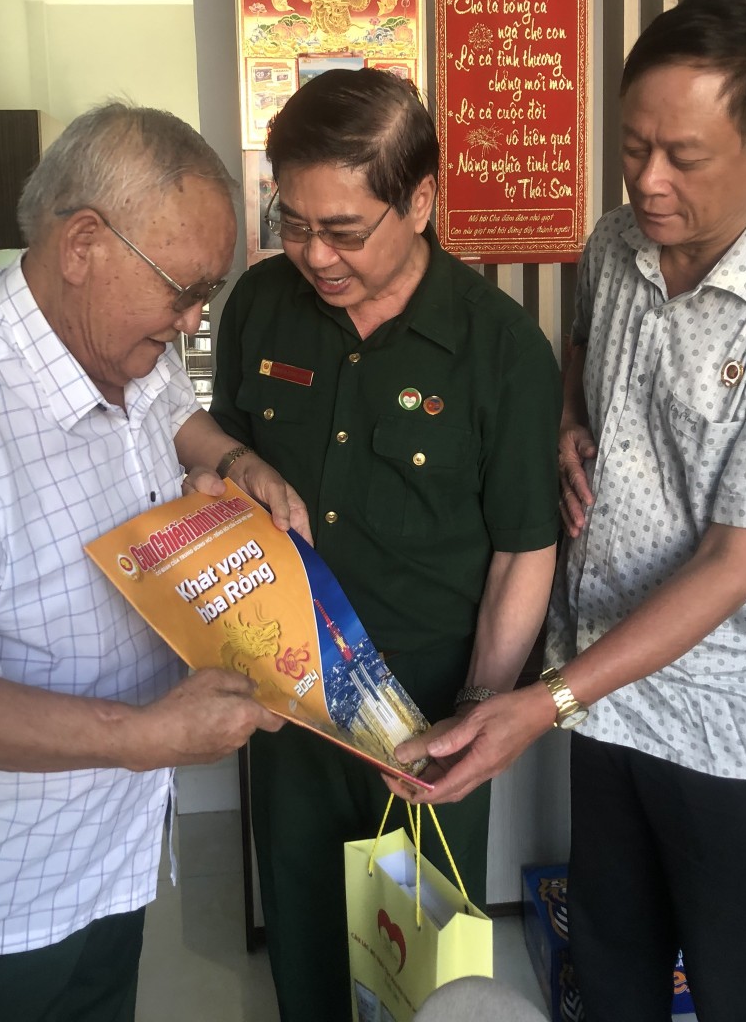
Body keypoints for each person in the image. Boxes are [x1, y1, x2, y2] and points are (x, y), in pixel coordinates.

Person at [395, 0, 746, 1021]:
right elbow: (581, 353)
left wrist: (546, 698)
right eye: (632, 145)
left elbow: (736, 563)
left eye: (683, 157)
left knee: (737, 990)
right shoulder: (615, 243)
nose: (647, 181)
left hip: (739, 718)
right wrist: (568, 417)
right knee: (611, 965)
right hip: (613, 693)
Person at [0, 103, 311, 1022]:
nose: (195, 319)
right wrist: (142, 739)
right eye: (184, 290)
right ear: (83, 242)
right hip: (9, 883)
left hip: (117, 846)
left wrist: (232, 462)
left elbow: (174, 414)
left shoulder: (122, 341)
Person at [209, 67, 561, 1022]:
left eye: (344, 230)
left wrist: (480, 710)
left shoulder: (501, 350)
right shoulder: (260, 306)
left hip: (427, 725)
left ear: (421, 201)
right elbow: (218, 461)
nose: (314, 255)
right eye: (292, 222)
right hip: (287, 708)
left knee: (424, 979)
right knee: (309, 952)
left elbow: (523, 551)